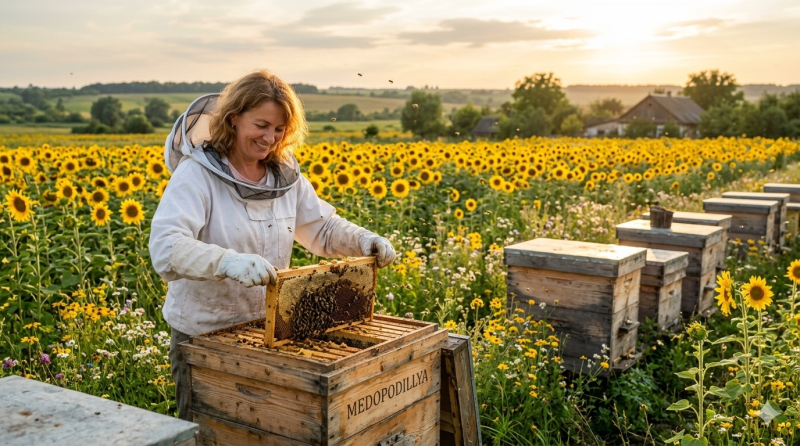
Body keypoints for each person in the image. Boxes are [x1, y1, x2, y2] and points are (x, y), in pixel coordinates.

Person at [149, 70, 396, 420]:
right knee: (209, 433)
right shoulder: (197, 175)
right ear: (233, 119)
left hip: (268, 333)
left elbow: (322, 228)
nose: (270, 138)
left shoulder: (283, 176)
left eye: (279, 129)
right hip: (202, 335)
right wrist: (226, 262)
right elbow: (166, 247)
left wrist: (363, 240)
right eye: (262, 125)